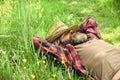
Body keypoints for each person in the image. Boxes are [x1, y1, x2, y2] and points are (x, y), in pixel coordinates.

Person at [33, 17, 120, 80]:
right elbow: (36, 41)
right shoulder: (68, 53)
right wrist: (56, 42)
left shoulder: (91, 37)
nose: (71, 31)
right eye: (65, 33)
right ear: (59, 40)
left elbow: (90, 20)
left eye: (71, 30)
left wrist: (76, 35)